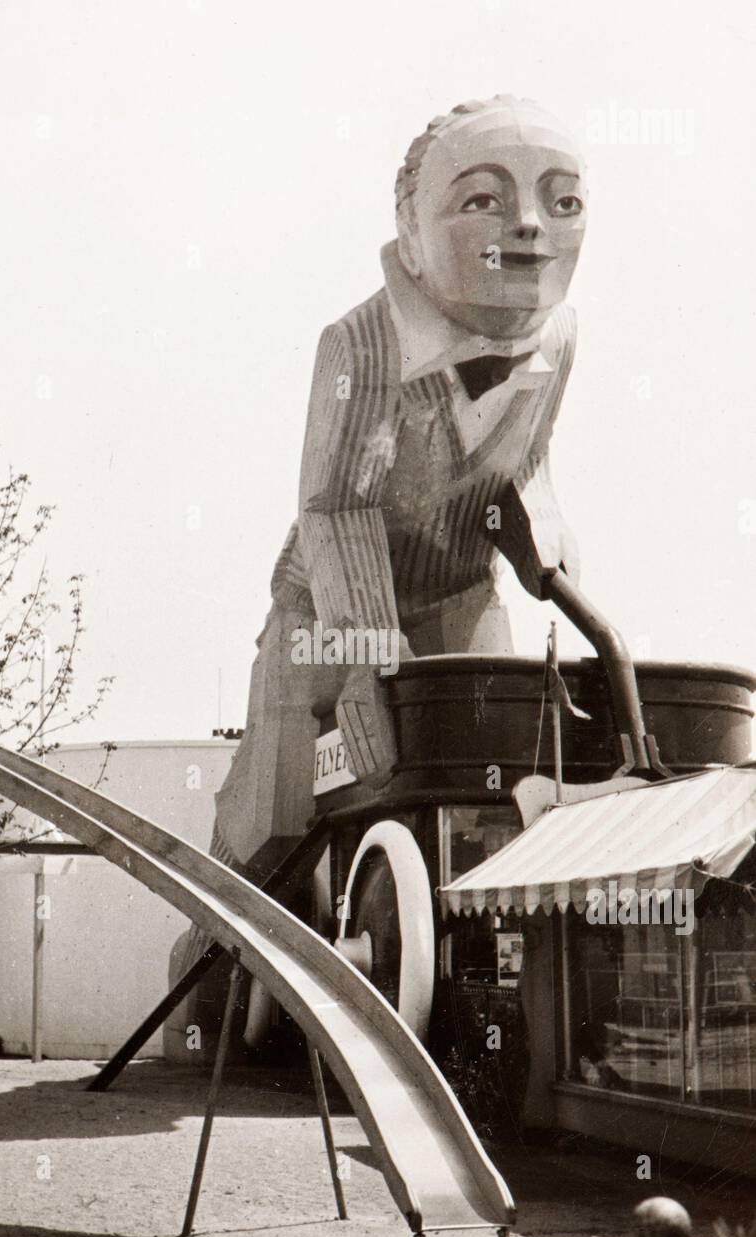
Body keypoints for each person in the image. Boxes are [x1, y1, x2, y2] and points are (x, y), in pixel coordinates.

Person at [211, 95, 587, 886]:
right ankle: (212, 978)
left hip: (459, 590)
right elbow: (335, 504)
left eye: (562, 202)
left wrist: (543, 538)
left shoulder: (560, 335)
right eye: (483, 199)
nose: (528, 224)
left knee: (493, 792)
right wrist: (368, 657)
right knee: (275, 832)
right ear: (411, 233)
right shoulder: (363, 345)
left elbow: (526, 463)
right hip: (324, 617)